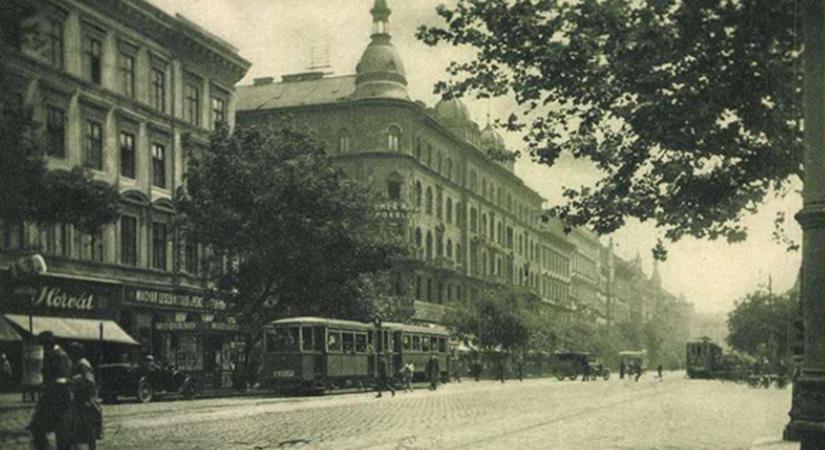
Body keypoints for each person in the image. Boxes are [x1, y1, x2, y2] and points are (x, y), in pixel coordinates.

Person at [28, 331, 73, 450]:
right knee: (38, 428)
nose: (44, 347)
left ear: (51, 343)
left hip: (59, 398)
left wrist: (51, 385)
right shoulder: (52, 354)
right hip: (51, 397)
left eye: (45, 344)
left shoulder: (59, 355)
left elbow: (65, 377)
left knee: (60, 433)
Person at [68, 342, 102, 450]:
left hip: (85, 400)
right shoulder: (77, 363)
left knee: (87, 429)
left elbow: (89, 381)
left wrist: (75, 381)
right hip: (79, 399)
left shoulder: (83, 364)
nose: (71, 355)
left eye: (72, 352)